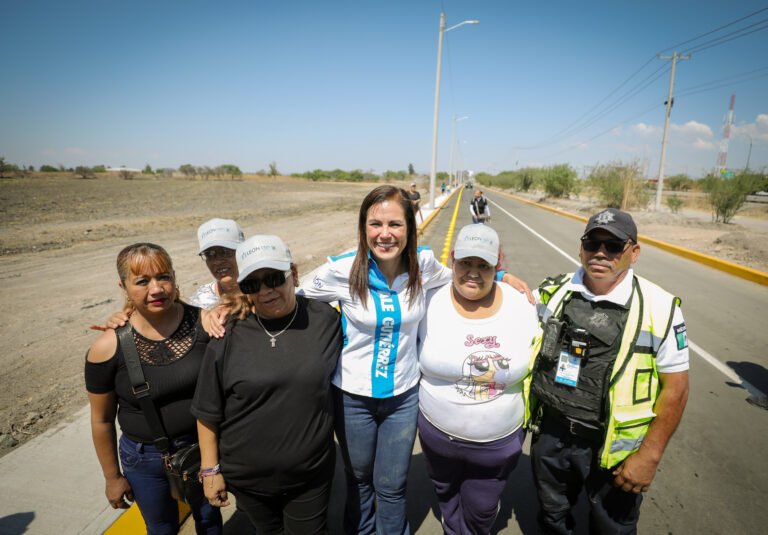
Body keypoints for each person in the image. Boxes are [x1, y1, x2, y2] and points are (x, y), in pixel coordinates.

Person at [297, 185, 532, 534]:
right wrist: (228, 304)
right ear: (363, 228)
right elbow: (289, 294)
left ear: (410, 227)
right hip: (352, 397)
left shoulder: (423, 264)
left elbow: (464, 274)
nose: (385, 234)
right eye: (375, 224)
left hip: (403, 397)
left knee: (392, 485)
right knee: (359, 479)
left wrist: (500, 276)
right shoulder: (341, 270)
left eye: (395, 224)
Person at [525, 208, 690, 534]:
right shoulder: (553, 291)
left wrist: (650, 456)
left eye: (613, 246)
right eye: (592, 243)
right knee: (553, 518)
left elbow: (677, 389)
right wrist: (501, 277)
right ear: (581, 247)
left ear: (634, 252)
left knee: (611, 527)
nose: (600, 253)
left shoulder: (660, 308)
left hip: (615, 449)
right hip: (552, 434)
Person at [192, 235, 343, 534]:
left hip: (309, 477)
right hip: (247, 481)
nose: (264, 291)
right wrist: (210, 470)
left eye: (273, 279)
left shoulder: (325, 319)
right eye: (252, 284)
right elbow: (207, 410)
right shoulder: (227, 331)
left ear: (294, 274)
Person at [84, 243, 222, 535]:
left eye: (164, 277)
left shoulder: (204, 324)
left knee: (210, 521)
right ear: (123, 286)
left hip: (201, 449)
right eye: (142, 281)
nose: (156, 289)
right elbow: (101, 420)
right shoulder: (106, 347)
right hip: (142, 459)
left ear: (175, 277)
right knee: (160, 528)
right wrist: (112, 477)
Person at [417, 224, 540, 534]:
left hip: (496, 445)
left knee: (481, 509)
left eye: (484, 265)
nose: (473, 272)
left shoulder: (522, 303)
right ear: (452, 260)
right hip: (436, 437)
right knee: (445, 494)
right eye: (465, 263)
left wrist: (504, 279)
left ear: (497, 266)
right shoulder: (428, 298)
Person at [187, 218, 245, 310]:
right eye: (209, 254)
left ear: (243, 251)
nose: (217, 261)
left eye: (225, 252)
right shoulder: (200, 302)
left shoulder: (263, 292)